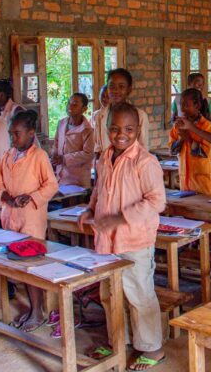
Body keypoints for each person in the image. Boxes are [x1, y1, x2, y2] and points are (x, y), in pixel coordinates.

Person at [78, 102, 165, 371]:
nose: (121, 134)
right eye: (114, 129)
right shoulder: (104, 157)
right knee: (110, 293)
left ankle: (153, 348)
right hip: (107, 240)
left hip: (134, 240)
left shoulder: (145, 161)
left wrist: (120, 217)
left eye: (128, 129)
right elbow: (99, 189)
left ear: (138, 129)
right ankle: (119, 341)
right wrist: (90, 209)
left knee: (139, 294)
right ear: (105, 129)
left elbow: (157, 201)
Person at [0, 109, 59, 332]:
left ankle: (37, 311)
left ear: (31, 134)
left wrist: (31, 197)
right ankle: (34, 309)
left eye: (17, 134)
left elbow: (51, 186)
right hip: (10, 216)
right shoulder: (7, 156)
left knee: (32, 266)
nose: (13, 138)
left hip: (31, 218)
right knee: (18, 265)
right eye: (11, 134)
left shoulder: (39, 156)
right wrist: (7, 197)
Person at [169, 88, 211, 196]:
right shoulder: (177, 126)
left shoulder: (206, 126)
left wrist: (188, 138)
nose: (183, 109)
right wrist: (181, 139)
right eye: (181, 105)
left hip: (201, 183)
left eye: (186, 105)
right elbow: (172, 151)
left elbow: (202, 153)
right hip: (185, 182)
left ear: (197, 106)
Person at [51, 93, 95, 189]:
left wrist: (64, 159)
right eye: (69, 103)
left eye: (75, 104)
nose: (70, 106)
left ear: (84, 109)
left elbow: (88, 154)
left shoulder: (88, 130)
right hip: (61, 175)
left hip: (78, 179)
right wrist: (54, 154)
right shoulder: (61, 123)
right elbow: (56, 143)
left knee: (76, 202)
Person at [105, 68, 149, 149]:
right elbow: (98, 147)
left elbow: (143, 147)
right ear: (107, 88)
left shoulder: (140, 116)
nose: (116, 90)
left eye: (121, 86)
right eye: (112, 86)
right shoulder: (100, 115)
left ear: (129, 90)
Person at [92, 85, 110, 159]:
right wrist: (97, 150)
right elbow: (94, 136)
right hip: (99, 154)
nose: (104, 99)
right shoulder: (95, 115)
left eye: (107, 96)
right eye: (102, 96)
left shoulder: (115, 114)